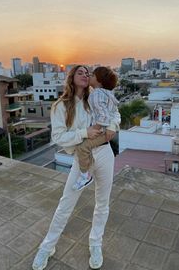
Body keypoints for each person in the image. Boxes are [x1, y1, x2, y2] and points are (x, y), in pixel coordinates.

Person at [32, 65, 120, 270]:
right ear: (71, 78)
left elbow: (115, 113)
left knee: (103, 203)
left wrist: (113, 127)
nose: (85, 75)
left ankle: (95, 243)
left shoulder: (97, 97)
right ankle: (47, 247)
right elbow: (58, 137)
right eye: (80, 72)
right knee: (66, 203)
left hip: (105, 153)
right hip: (82, 157)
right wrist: (84, 133)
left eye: (87, 73)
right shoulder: (60, 105)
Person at [72, 66, 120, 191]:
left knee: (82, 147)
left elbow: (104, 116)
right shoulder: (108, 94)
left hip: (101, 132)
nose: (88, 76)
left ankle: (85, 175)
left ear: (99, 81)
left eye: (91, 75)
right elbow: (113, 111)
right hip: (104, 133)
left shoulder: (96, 95)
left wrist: (95, 128)